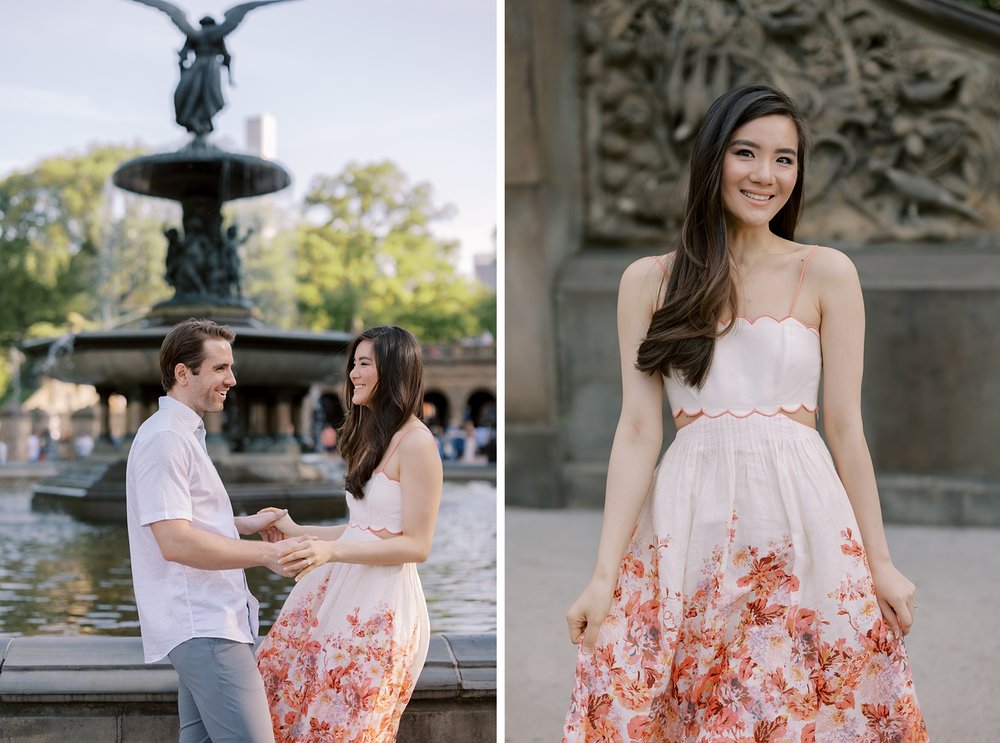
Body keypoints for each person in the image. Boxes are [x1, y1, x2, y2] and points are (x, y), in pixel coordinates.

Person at [563, 85, 928, 741]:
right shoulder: (649, 281)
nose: (766, 175)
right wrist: (601, 575)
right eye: (747, 153)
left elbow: (845, 427)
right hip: (689, 522)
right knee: (704, 706)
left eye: (785, 159)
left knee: (803, 706)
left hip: (802, 520)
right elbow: (639, 430)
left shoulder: (827, 273)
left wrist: (880, 560)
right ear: (712, 160)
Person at [255, 325, 442, 742]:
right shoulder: (374, 437)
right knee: (281, 703)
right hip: (335, 592)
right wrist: (295, 531)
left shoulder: (417, 445)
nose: (353, 374)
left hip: (379, 606)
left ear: (393, 370)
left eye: (363, 364)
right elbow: (363, 528)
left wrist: (330, 554)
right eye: (352, 364)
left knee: (344, 727)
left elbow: (417, 544)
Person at [126, 318, 306, 743]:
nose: (232, 379)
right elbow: (175, 541)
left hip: (207, 624)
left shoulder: (179, 433)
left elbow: (184, 522)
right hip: (204, 626)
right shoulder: (166, 439)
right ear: (182, 373)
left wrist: (243, 524)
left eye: (231, 367)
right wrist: (267, 555)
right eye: (220, 368)